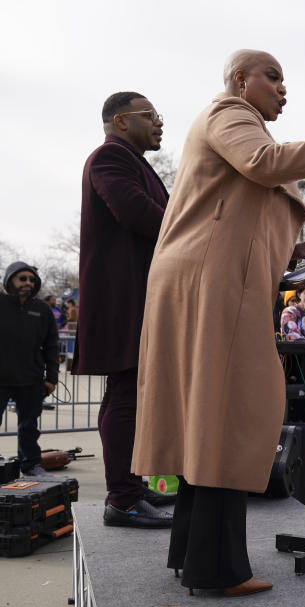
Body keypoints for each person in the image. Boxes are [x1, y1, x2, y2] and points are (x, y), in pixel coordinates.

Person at [132, 49, 305, 596]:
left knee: (212, 418)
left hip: (212, 280)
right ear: (240, 80)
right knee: (228, 415)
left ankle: (196, 559)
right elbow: (265, 165)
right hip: (212, 284)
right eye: (273, 77)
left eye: (284, 80)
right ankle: (217, 570)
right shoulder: (229, 114)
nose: (282, 89)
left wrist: (291, 248)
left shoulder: (235, 124)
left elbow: (241, 208)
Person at [75, 91, 175, 528]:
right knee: (127, 394)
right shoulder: (108, 159)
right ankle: (123, 499)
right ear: (121, 121)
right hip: (124, 298)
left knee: (130, 393)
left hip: (141, 295)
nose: (159, 123)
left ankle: (132, 486)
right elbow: (141, 214)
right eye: (150, 116)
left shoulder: (132, 160)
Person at [0, 263, 59, 477]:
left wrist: (51, 378)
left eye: (32, 280)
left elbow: (52, 345)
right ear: (10, 280)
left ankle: (31, 465)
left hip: (31, 379)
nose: (28, 283)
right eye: (22, 278)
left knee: (29, 427)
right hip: (1, 378)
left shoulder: (42, 309)